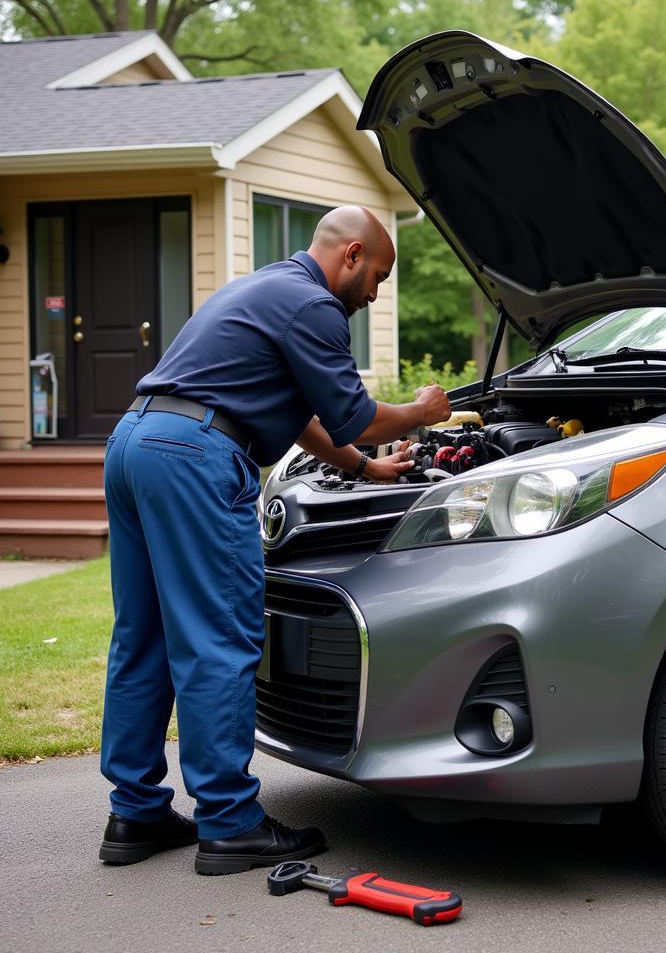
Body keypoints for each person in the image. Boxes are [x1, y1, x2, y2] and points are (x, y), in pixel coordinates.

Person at [98, 206, 451, 875]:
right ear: (350, 256)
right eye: (377, 276)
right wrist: (422, 412)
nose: (374, 294)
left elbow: (302, 413)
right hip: (195, 457)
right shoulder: (314, 306)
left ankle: (135, 812)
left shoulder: (265, 288)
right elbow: (354, 414)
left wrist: (367, 468)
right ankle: (230, 824)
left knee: (141, 638)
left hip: (137, 443)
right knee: (220, 639)